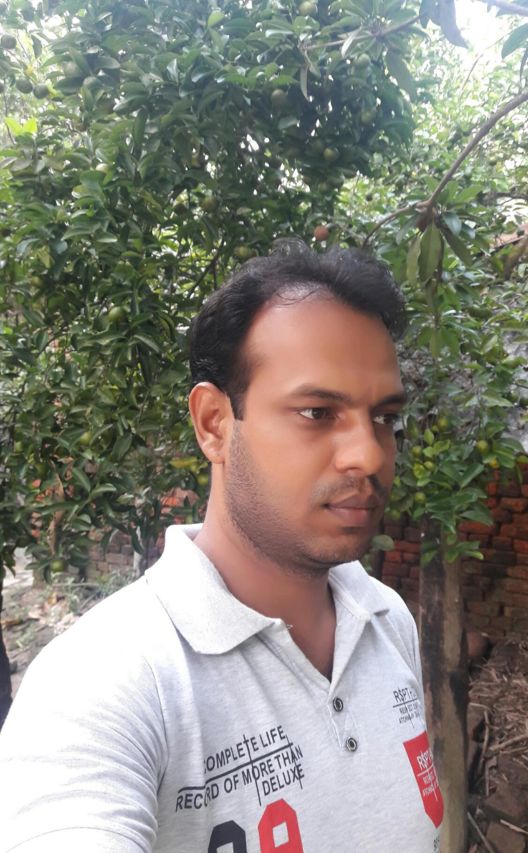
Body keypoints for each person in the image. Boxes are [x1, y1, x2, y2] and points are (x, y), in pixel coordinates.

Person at [0, 242, 443, 852]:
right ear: (214, 423)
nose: (369, 454)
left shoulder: (387, 620)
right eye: (317, 412)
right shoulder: (106, 682)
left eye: (385, 418)